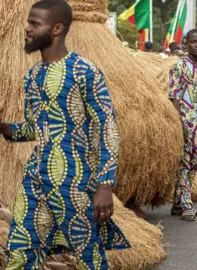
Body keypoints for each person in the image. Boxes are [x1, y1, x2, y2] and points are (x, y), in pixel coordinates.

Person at [0, 0, 130, 268]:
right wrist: (4, 128)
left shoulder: (84, 70)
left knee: (87, 255)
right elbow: (38, 128)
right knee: (21, 249)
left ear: (57, 29)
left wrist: (105, 185)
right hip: (37, 177)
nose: (27, 28)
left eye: (35, 24)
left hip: (76, 181)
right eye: (28, 22)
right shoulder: (33, 76)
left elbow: (106, 127)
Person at [168, 29, 197, 221]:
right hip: (185, 120)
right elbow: (174, 96)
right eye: (193, 42)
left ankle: (177, 204)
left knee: (196, 161)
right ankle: (187, 205)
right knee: (185, 162)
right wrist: (179, 123)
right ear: (186, 44)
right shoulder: (178, 66)